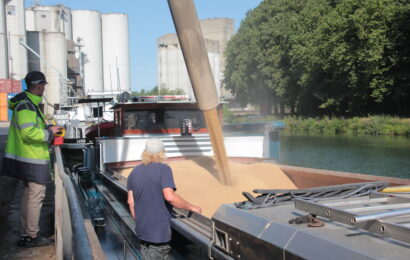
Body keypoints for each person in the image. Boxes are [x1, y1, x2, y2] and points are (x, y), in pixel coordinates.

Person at [1, 71, 62, 248]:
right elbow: (28, 133)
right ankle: (31, 236)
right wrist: (49, 133)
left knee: (29, 197)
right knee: (35, 197)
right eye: (43, 85)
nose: (44, 88)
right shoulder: (27, 106)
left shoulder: (26, 104)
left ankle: (26, 233)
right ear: (39, 85)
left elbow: (31, 128)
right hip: (32, 159)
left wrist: (47, 127)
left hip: (28, 159)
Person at [127, 138, 201, 260]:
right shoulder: (164, 169)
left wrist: (140, 220)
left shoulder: (134, 172)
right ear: (161, 153)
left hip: (142, 231)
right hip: (158, 234)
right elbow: (169, 196)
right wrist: (191, 207)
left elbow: (131, 202)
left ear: (145, 153)